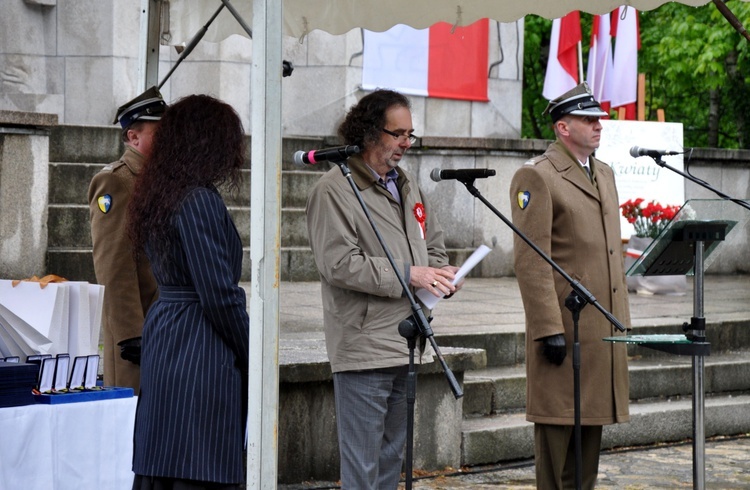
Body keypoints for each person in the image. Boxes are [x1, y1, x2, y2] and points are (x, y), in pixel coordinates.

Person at [305, 89, 462, 489]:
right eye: (398, 134)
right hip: (363, 346)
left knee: (392, 462)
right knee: (362, 468)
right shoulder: (334, 189)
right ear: (371, 132)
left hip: (406, 340)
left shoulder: (407, 185)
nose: (407, 143)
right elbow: (338, 264)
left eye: (411, 134)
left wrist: (442, 275)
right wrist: (411, 274)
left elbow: (433, 243)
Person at [509, 82, 631, 490]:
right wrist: (547, 328)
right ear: (562, 127)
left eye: (599, 119)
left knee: (588, 447)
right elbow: (530, 260)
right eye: (588, 119)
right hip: (565, 328)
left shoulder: (605, 173)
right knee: (557, 439)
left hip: (600, 327)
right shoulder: (538, 176)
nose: (599, 126)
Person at [127, 94, 250, 489]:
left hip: (168, 336)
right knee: (197, 463)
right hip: (197, 344)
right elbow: (218, 292)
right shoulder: (196, 198)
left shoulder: (162, 191)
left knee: (167, 461)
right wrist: (252, 349)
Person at [88, 86, 165, 391]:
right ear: (134, 137)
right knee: (131, 422)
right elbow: (114, 265)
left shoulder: (157, 178)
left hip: (161, 323)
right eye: (160, 133)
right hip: (137, 330)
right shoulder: (116, 181)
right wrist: (131, 333)